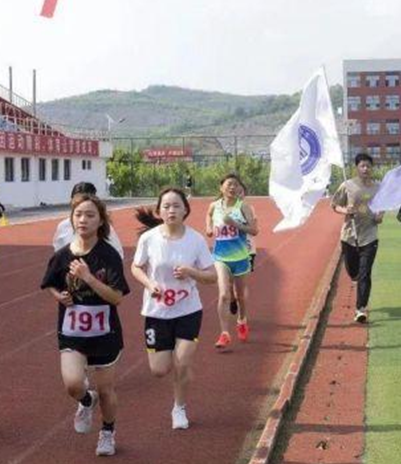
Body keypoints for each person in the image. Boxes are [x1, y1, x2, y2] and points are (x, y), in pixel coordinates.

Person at [41, 194, 129, 456]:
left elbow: (117, 297)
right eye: (78, 214)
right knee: (73, 385)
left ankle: (107, 432)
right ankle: (86, 400)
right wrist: (59, 296)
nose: (83, 220)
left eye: (90, 215)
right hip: (72, 332)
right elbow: (50, 284)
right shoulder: (62, 256)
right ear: (71, 219)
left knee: (106, 390)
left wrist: (88, 278)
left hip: (105, 333)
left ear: (100, 221)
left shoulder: (108, 255)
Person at [131, 188, 216, 430]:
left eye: (177, 206)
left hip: (188, 310)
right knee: (159, 370)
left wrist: (191, 272)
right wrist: (149, 284)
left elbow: (212, 276)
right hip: (156, 312)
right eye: (166, 206)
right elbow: (136, 267)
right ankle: (182, 370)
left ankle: (179, 407)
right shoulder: (149, 239)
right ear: (159, 211)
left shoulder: (196, 240)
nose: (171, 210)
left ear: (185, 210)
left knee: (181, 362)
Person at [206, 173, 259, 348]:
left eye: (236, 185)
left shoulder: (243, 207)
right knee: (223, 294)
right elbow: (209, 215)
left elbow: (254, 230)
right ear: (221, 187)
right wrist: (208, 227)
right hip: (220, 257)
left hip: (240, 257)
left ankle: (242, 320)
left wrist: (235, 224)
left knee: (240, 296)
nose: (232, 187)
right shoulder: (214, 206)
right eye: (229, 184)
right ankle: (224, 333)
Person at [332, 153, 383, 323]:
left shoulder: (378, 187)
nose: (366, 169)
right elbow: (334, 205)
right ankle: (356, 277)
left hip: (370, 236)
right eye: (362, 166)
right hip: (349, 236)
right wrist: (345, 210)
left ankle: (360, 309)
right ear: (357, 168)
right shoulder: (347, 185)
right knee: (353, 272)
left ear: (372, 168)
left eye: (368, 166)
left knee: (364, 274)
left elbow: (382, 205)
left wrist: (380, 215)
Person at [53, 182, 124, 258]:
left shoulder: (104, 228)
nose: (83, 220)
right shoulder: (63, 227)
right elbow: (58, 252)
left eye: (90, 215)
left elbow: (118, 255)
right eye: (77, 200)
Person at [229, 180, 258, 315]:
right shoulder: (223, 208)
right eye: (236, 192)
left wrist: (239, 224)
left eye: (241, 192)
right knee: (228, 281)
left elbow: (255, 229)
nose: (238, 194)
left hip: (247, 249)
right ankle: (231, 298)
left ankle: (242, 315)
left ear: (244, 194)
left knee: (241, 283)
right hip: (229, 250)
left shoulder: (249, 209)